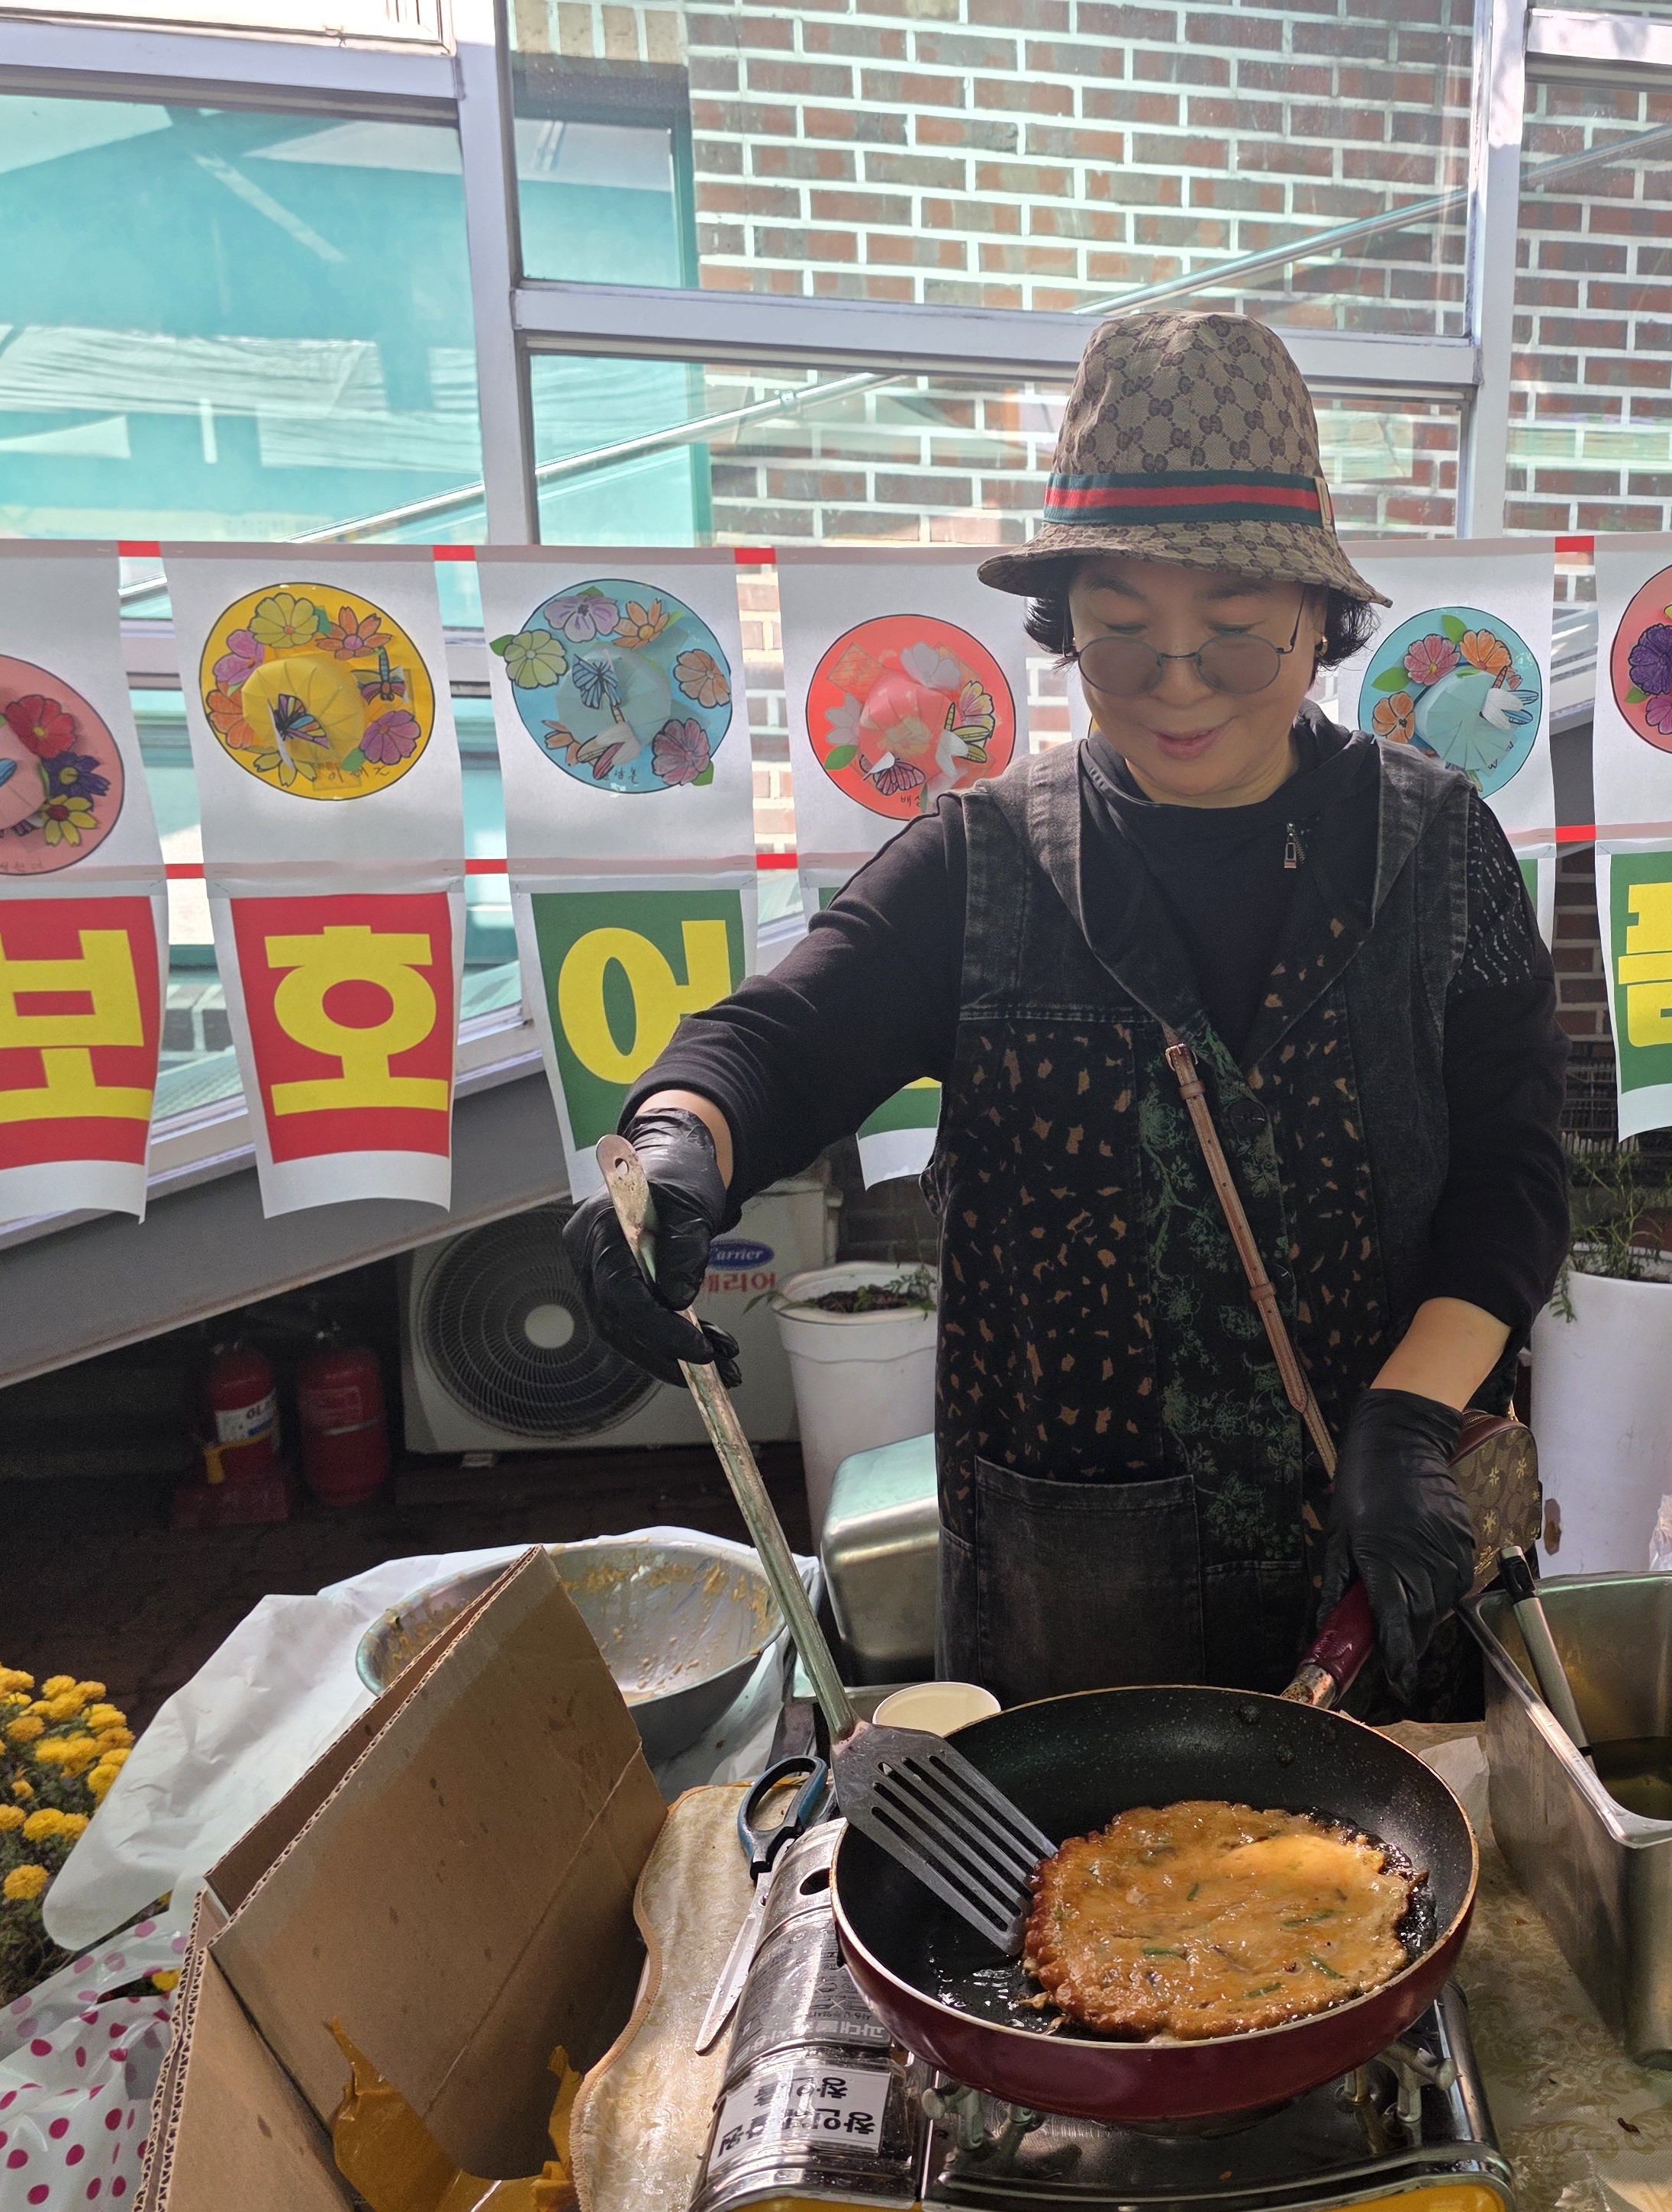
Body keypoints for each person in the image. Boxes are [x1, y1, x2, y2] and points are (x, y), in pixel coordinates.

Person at [568, 311, 1568, 1710]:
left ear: (1320, 619)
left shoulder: (1439, 851)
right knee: (1071, 1852)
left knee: (1403, 1833)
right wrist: (678, 1145)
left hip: (1383, 1545)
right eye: (1120, 636)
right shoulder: (986, 863)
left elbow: (1514, 1171)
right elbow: (775, 1043)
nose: (1176, 685)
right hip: (1077, 1586)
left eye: (1234, 637)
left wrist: (1412, 1415)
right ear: (1065, 626)